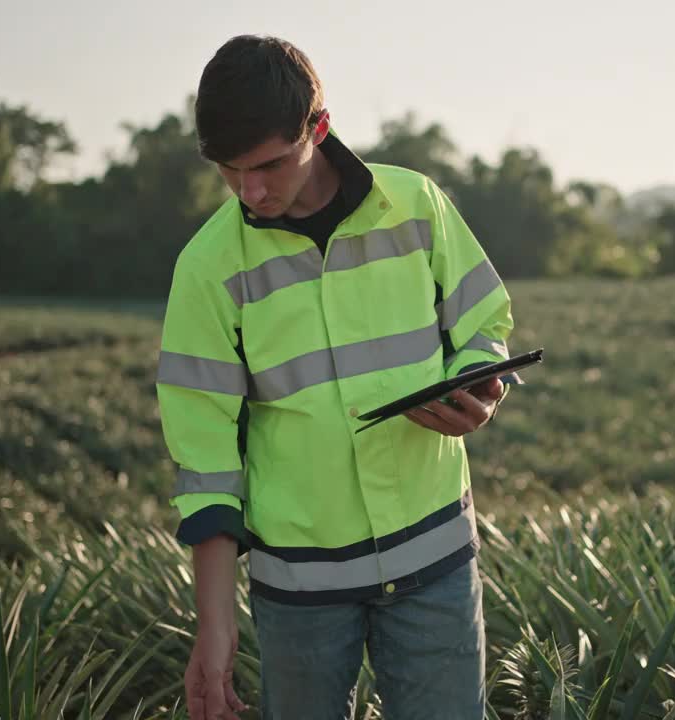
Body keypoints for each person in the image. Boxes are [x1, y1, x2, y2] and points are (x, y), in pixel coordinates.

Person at [155, 34, 521, 720]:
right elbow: (203, 458)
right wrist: (215, 622)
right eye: (230, 172)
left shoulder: (417, 206)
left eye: (267, 165)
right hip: (298, 590)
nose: (250, 191)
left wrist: (480, 389)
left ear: (318, 127)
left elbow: (483, 323)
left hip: (435, 559)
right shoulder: (207, 267)